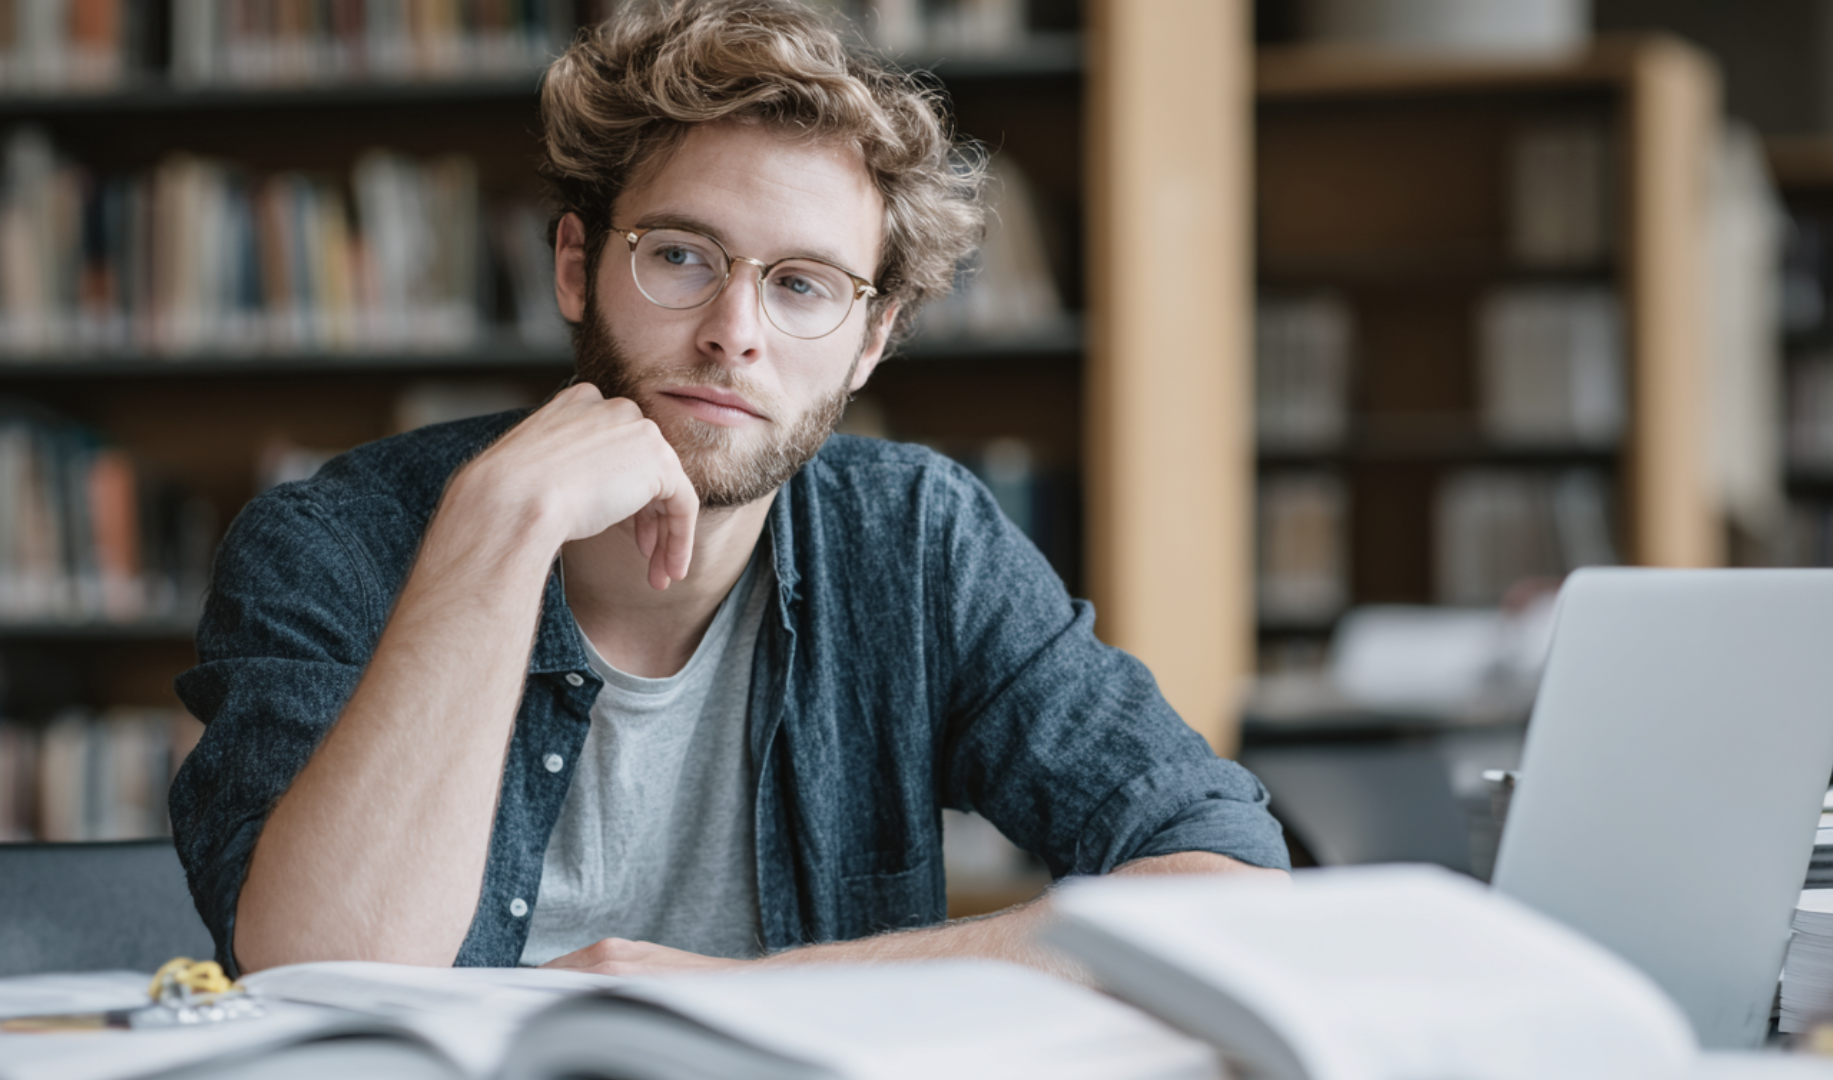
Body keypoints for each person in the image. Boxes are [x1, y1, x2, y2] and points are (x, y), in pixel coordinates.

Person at [169, 0, 1289, 980]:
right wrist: (492, 533)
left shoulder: (915, 541)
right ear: (577, 266)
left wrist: (769, 987)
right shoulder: (330, 544)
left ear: (871, 340)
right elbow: (318, 971)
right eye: (681, 256)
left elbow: (1227, 878)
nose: (733, 336)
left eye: (803, 285)